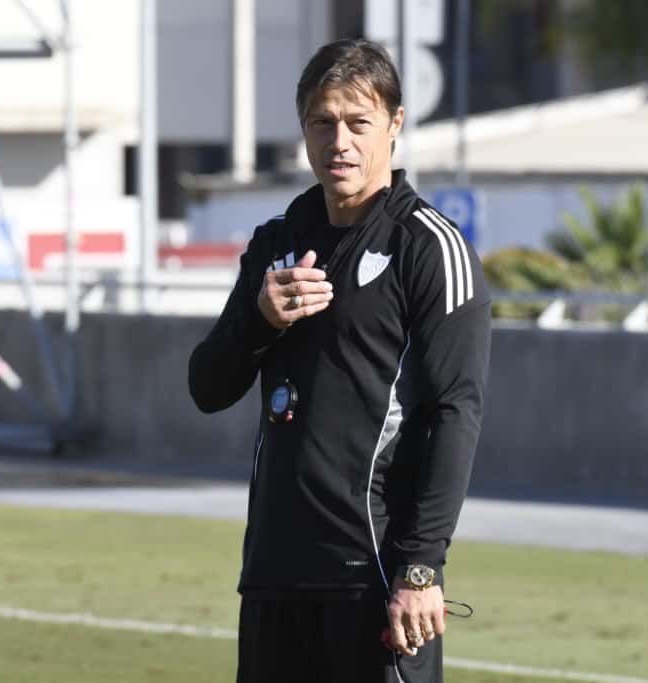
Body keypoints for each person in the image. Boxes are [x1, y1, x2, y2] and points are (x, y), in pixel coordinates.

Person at [188, 38, 491, 682]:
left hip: (374, 575)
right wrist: (260, 320)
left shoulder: (428, 248)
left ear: (395, 124)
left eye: (359, 122)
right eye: (322, 123)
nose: (340, 142)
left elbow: (455, 414)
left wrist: (420, 567)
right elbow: (207, 387)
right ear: (303, 129)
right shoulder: (277, 242)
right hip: (274, 573)